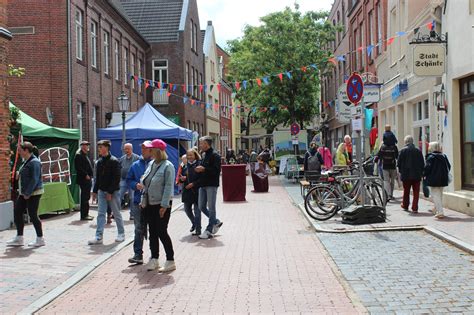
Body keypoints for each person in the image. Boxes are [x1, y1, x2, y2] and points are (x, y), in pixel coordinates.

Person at [140, 139, 176, 272]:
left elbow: (168, 187)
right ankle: (154, 258)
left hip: (162, 204)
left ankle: (170, 260)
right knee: (153, 232)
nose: (149, 151)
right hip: (149, 203)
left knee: (162, 231)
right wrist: (142, 183)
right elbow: (145, 178)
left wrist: (164, 205)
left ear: (156, 151)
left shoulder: (168, 166)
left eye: (151, 149)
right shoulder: (151, 164)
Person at [7, 142, 45, 247]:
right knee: (18, 212)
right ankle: (19, 238)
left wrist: (28, 193)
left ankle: (40, 239)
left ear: (26, 150)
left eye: (20, 150)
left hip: (33, 192)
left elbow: (35, 178)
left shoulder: (34, 162)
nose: (18, 152)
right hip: (25, 192)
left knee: (33, 215)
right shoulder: (26, 161)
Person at [88, 140, 125, 245]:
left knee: (116, 213)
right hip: (101, 191)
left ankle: (121, 233)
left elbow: (116, 178)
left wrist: (110, 191)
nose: (99, 149)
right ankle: (99, 236)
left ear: (107, 148)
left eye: (101, 147)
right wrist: (94, 191)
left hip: (112, 192)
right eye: (98, 147)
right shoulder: (99, 162)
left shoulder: (114, 161)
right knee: (100, 214)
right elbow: (97, 178)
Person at [188, 136, 223, 239]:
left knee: (211, 208)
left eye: (201, 143)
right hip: (202, 185)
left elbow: (216, 171)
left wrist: (204, 169)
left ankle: (209, 230)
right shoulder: (203, 154)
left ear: (207, 144)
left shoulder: (215, 155)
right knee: (201, 206)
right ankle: (216, 221)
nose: (200, 145)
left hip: (211, 185)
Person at [126, 141, 153, 264]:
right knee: (138, 228)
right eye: (142, 148)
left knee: (153, 228)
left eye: (145, 148)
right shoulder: (135, 165)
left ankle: (154, 254)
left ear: (151, 150)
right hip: (138, 200)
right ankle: (138, 254)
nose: (143, 150)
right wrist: (134, 185)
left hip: (152, 202)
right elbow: (129, 179)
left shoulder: (156, 164)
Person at [180, 148, 210, 235]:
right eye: (188, 155)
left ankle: (198, 229)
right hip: (187, 192)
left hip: (197, 191)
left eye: (191, 155)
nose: (189, 157)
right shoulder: (184, 166)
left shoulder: (199, 164)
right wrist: (183, 179)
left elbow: (202, 179)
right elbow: (181, 178)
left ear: (195, 155)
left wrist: (193, 184)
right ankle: (194, 223)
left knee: (197, 212)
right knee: (187, 210)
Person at [397, 135, 424, 213]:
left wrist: (401, 171)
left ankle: (405, 205)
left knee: (406, 191)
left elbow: (398, 163)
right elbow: (422, 163)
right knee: (416, 192)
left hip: (406, 175)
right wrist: (421, 172)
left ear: (405, 142)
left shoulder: (402, 151)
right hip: (417, 175)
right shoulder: (418, 151)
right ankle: (415, 207)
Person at [424, 142, 451, 219]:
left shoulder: (431, 157)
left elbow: (427, 168)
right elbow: (448, 166)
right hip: (443, 179)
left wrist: (424, 174)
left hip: (433, 179)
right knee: (439, 195)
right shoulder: (443, 156)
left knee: (435, 195)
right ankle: (436, 208)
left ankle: (440, 212)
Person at [74, 141, 94, 221]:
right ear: (82, 146)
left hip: (87, 178)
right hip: (84, 179)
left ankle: (86, 213)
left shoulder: (84, 154)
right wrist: (86, 175)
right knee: (85, 197)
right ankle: (84, 215)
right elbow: (78, 167)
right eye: (86, 145)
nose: (88, 146)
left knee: (87, 196)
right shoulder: (79, 155)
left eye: (88, 145)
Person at [119, 143, 139, 220]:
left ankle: (132, 215)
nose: (126, 150)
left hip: (132, 181)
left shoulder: (137, 157)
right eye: (125, 149)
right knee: (118, 196)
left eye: (127, 149)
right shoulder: (122, 158)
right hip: (123, 180)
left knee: (132, 198)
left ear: (131, 149)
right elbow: (119, 168)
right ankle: (116, 213)